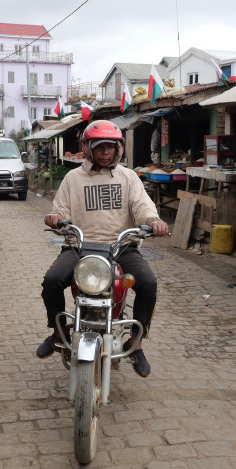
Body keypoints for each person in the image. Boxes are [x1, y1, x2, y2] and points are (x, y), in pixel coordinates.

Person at [37, 120, 169, 377]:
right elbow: (61, 208)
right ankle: (58, 333)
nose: (106, 152)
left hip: (121, 247)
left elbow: (142, 207)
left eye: (110, 147)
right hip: (79, 246)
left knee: (148, 283)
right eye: (99, 147)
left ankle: (136, 343)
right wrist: (56, 217)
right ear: (88, 148)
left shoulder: (128, 177)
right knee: (51, 281)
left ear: (118, 149)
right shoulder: (73, 178)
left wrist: (154, 221)